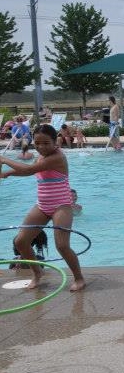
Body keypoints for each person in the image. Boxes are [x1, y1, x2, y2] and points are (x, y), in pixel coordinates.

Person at [0, 124, 86, 291]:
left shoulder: (57, 157)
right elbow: (30, 171)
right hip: (42, 205)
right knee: (21, 241)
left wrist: (4, 160)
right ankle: (37, 273)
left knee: (62, 245)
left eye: (46, 143)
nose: (41, 147)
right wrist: (7, 174)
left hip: (61, 206)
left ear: (55, 142)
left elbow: (30, 169)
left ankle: (79, 278)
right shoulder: (42, 156)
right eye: (37, 143)